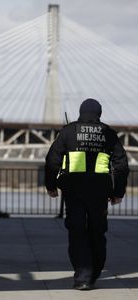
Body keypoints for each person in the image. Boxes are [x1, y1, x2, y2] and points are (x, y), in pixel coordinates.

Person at [45, 98, 129, 290]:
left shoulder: (68, 131)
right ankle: (94, 272)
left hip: (73, 190)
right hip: (99, 191)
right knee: (97, 231)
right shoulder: (109, 134)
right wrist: (118, 192)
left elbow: (52, 160)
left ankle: (82, 275)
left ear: (81, 112)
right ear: (99, 113)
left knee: (77, 231)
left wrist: (51, 185)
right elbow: (121, 166)